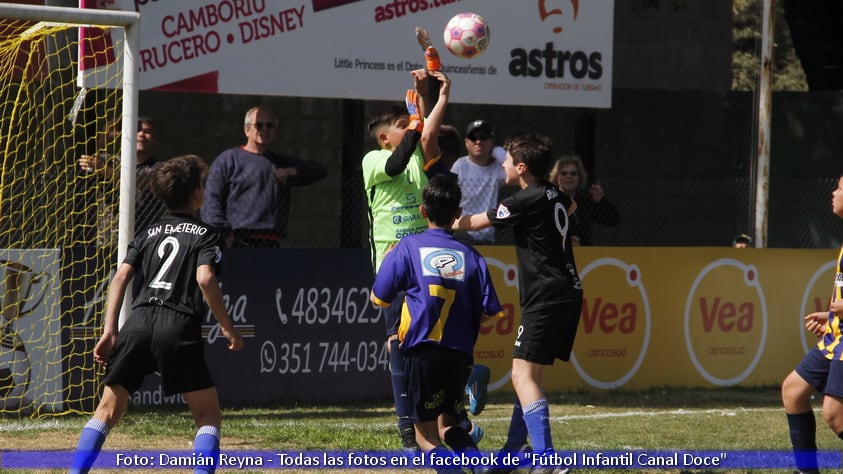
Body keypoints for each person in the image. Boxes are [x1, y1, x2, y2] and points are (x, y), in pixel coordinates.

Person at [70, 155, 244, 474]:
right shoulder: (207, 234)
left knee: (107, 410)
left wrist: (110, 330)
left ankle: (75, 472)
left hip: (137, 322)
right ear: (196, 195)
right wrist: (228, 327)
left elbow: (120, 277)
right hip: (177, 325)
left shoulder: (148, 232)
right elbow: (205, 278)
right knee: (207, 415)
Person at [453, 131, 583, 474]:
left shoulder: (523, 199)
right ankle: (515, 448)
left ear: (522, 167)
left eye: (507, 161)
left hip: (546, 293)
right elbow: (571, 206)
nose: (503, 166)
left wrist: (444, 222)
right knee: (530, 375)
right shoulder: (553, 192)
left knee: (520, 373)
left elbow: (478, 221)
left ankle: (546, 461)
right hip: (568, 289)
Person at [369, 174, 503, 469]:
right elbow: (489, 313)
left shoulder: (407, 247)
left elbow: (379, 297)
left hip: (423, 353)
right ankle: (480, 467)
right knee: (449, 425)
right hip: (459, 356)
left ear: (422, 211)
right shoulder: (472, 256)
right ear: (458, 214)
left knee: (426, 438)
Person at [362, 67, 451, 451]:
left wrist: (434, 95)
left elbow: (427, 134)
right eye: (402, 124)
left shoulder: (417, 156)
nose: (411, 127)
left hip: (427, 263)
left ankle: (451, 413)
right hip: (394, 265)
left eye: (410, 122)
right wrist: (415, 114)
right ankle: (406, 428)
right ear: (385, 137)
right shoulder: (373, 160)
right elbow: (397, 162)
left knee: (437, 342)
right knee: (397, 344)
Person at [781, 173, 843, 474]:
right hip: (838, 334)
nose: (833, 193)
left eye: (840, 188)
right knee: (793, 390)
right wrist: (832, 316)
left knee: (835, 415)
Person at [201, 106, 327, 247]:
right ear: (247, 129)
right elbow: (211, 200)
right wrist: (224, 234)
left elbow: (319, 170)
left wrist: (290, 172)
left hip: (271, 243)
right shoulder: (228, 160)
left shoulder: (279, 162)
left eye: (270, 125)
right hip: (237, 241)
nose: (265, 129)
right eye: (259, 125)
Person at [78, 116, 167, 247]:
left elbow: (138, 182)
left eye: (147, 132)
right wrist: (106, 135)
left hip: (144, 237)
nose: (141, 134)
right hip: (109, 238)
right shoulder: (111, 161)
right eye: (136, 130)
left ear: (155, 140)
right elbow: (96, 154)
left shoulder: (158, 167)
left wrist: (105, 170)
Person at [450, 120, 507, 245]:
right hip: (463, 232)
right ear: (466, 142)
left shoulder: (497, 168)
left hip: (488, 235)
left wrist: (500, 153)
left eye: (484, 138)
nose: (478, 142)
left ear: (491, 142)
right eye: (473, 138)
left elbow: (518, 173)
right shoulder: (460, 166)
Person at [548, 154, 620, 246]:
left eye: (573, 173)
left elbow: (614, 220)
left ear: (579, 178)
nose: (568, 176)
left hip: (584, 255)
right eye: (564, 173)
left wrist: (601, 200)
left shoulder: (585, 203)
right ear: (556, 177)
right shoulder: (548, 201)